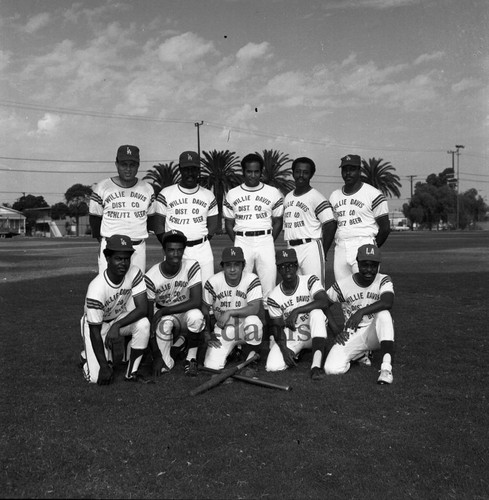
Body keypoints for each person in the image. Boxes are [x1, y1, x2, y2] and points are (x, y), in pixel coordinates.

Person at [80, 234, 151, 385]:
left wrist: (117, 325)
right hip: (95, 325)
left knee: (143, 323)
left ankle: (132, 372)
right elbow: (94, 331)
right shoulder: (96, 289)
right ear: (107, 258)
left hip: (117, 320)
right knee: (97, 379)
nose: (123, 263)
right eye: (118, 258)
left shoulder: (134, 272)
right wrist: (104, 367)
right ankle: (87, 359)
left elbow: (143, 308)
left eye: (126, 258)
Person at [323, 244, 395, 384]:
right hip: (352, 331)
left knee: (384, 314)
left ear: (378, 265)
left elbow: (387, 301)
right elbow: (323, 304)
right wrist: (336, 331)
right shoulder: (343, 284)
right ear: (357, 262)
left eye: (373, 265)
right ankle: (359, 354)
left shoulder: (383, 280)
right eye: (365, 265)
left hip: (376, 331)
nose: (369, 270)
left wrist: (361, 312)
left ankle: (386, 369)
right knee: (331, 369)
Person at [223, 153, 283, 303]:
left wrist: (269, 239)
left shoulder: (272, 192)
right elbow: (229, 223)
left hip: (265, 240)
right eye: (249, 171)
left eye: (256, 171)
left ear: (261, 172)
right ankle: (241, 319)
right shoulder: (232, 193)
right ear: (243, 172)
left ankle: (271, 322)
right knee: (241, 283)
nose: (253, 175)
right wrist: (238, 240)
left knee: (269, 282)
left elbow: (277, 221)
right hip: (242, 240)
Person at [145, 230, 205, 377]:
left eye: (179, 250)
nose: (176, 254)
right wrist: (156, 356)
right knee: (166, 366)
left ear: (184, 250)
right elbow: (148, 317)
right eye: (171, 250)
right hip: (163, 316)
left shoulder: (191, 266)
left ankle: (191, 359)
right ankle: (180, 343)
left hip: (184, 311)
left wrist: (164, 311)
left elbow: (196, 301)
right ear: (164, 250)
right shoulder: (151, 277)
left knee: (196, 316)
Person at [154, 151, 218, 287]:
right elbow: (158, 226)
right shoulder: (166, 193)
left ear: (198, 171)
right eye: (186, 169)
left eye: (193, 169)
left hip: (202, 249)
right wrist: (169, 245)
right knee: (176, 290)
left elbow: (213, 226)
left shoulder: (208, 195)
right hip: (176, 250)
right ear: (180, 169)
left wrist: (200, 240)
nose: (190, 173)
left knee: (207, 289)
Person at [89, 145, 157, 273]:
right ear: (116, 164)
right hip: (111, 249)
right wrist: (104, 242)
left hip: (137, 248)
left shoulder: (148, 189)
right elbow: (95, 220)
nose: (128, 169)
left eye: (132, 165)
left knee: (136, 289)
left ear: (138, 165)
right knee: (110, 290)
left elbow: (151, 219)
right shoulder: (102, 187)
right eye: (123, 164)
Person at [323, 154, 391, 282]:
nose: (348, 173)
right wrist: (324, 250)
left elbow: (385, 228)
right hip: (341, 247)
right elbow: (331, 227)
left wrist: (372, 248)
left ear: (359, 171)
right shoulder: (334, 196)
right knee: (344, 292)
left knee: (366, 291)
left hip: (364, 242)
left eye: (352, 169)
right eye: (345, 169)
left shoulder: (373, 194)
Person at [266, 249, 328, 380]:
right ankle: (300, 352)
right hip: (294, 333)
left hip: (314, 330)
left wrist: (297, 310)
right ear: (278, 269)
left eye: (290, 265)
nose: (287, 269)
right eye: (282, 266)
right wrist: (283, 349)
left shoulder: (309, 280)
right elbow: (277, 327)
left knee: (316, 313)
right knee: (272, 366)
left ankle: (316, 366)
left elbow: (324, 301)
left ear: (296, 265)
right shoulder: (273, 296)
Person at [202, 246, 263, 371]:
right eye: (228, 265)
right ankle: (232, 351)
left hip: (243, 328)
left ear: (243, 265)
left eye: (237, 265)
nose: (233, 269)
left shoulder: (251, 279)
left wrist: (231, 312)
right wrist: (207, 333)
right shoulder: (213, 282)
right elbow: (204, 308)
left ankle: (251, 357)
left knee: (253, 322)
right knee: (212, 366)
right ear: (222, 266)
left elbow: (255, 308)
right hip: (223, 329)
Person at [283, 157, 334, 285]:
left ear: (311, 175)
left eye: (305, 172)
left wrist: (323, 250)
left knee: (315, 288)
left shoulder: (316, 197)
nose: (301, 175)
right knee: (297, 291)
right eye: (298, 171)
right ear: (293, 172)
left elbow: (330, 224)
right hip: (291, 247)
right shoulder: (288, 197)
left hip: (310, 247)